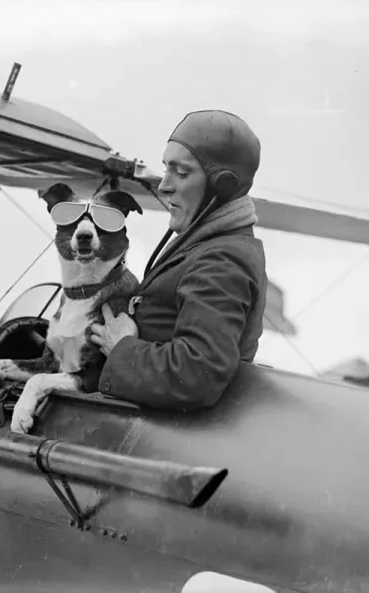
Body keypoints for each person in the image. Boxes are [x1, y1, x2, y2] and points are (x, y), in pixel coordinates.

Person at [89, 109, 268, 411]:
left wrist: (122, 349)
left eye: (181, 173)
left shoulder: (222, 262)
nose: (163, 185)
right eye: (165, 168)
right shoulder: (206, 246)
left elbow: (197, 373)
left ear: (221, 187)